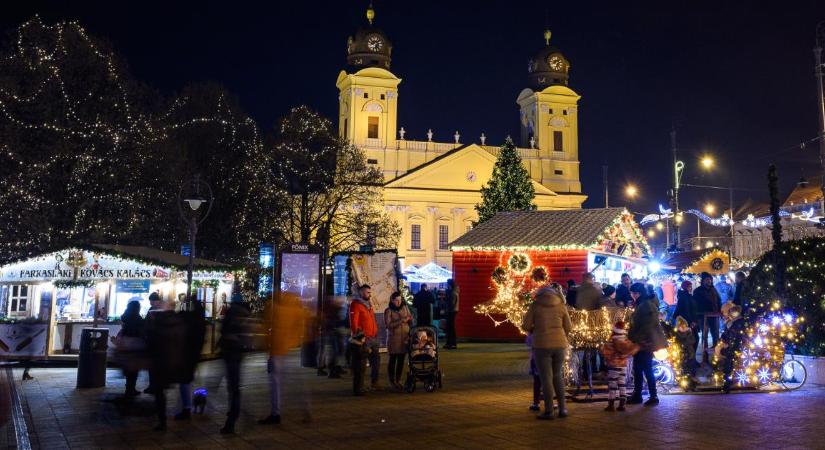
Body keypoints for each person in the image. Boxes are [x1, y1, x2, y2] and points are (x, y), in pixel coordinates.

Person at [521, 285, 571, 420]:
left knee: (546, 378)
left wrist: (535, 328)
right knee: (557, 376)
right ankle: (563, 409)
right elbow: (569, 327)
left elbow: (525, 325)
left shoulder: (535, 305)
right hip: (560, 344)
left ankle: (549, 410)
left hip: (542, 344)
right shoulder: (561, 304)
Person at [259, 292, 305, 425]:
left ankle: (276, 413)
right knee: (295, 383)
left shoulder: (275, 309)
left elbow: (267, 327)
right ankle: (305, 410)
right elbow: (299, 328)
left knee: (276, 383)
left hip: (277, 350)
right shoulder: (295, 310)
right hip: (289, 349)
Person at [145, 292, 183, 432]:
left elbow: (153, 339)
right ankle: (161, 418)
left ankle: (161, 420)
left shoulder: (159, 323)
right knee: (161, 391)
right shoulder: (174, 321)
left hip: (160, 361)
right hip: (169, 361)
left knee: (159, 392)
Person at [627, 282, 667, 406]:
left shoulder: (645, 305)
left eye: (633, 293)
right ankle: (638, 394)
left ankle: (653, 395)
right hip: (642, 341)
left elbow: (648, 325)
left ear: (637, 293)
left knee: (646, 368)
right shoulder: (642, 303)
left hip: (645, 342)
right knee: (638, 369)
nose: (632, 295)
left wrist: (638, 340)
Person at [218, 293, 250, 434]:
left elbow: (225, 331)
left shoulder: (232, 313)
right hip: (238, 352)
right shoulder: (245, 315)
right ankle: (233, 414)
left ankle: (232, 418)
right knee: (234, 386)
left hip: (230, 351)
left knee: (233, 387)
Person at [175, 298, 207, 421]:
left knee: (184, 380)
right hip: (194, 354)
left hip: (187, 353)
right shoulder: (201, 321)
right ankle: (191, 404)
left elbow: (181, 316)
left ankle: (186, 408)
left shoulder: (190, 319)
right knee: (188, 380)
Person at [600, 321, 638, 412]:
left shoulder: (612, 341)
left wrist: (602, 350)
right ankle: (622, 405)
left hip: (614, 365)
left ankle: (611, 404)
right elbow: (630, 350)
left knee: (612, 384)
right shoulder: (625, 341)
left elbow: (605, 351)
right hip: (623, 366)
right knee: (622, 384)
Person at [350, 284, 380, 395]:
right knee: (361, 365)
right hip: (364, 339)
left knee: (376, 361)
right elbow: (354, 322)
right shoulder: (356, 305)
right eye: (368, 292)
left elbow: (371, 319)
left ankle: (374, 383)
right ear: (361, 292)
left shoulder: (368, 304)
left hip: (373, 337)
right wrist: (360, 336)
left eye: (370, 292)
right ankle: (358, 388)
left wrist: (375, 331)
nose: (370, 295)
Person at [384, 291, 412, 391]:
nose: (398, 302)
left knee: (401, 360)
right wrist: (401, 321)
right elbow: (388, 325)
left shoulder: (405, 307)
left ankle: (398, 380)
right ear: (392, 300)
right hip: (394, 339)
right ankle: (392, 381)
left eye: (400, 300)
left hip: (404, 338)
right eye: (396, 300)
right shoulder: (388, 311)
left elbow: (410, 317)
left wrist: (409, 319)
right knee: (393, 360)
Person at [716, 304, 746, 393]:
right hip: (730, 346)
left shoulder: (738, 323)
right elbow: (726, 334)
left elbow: (736, 337)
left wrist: (728, 344)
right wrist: (723, 340)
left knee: (729, 362)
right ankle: (726, 380)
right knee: (726, 360)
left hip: (735, 347)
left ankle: (727, 383)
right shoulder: (731, 323)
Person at [118, 300, 145, 398]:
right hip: (135, 345)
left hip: (126, 343)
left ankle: (129, 388)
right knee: (134, 368)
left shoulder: (126, 316)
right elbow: (142, 329)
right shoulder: (138, 318)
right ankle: (131, 389)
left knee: (129, 367)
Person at [694, 272, 722, 351]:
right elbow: (696, 304)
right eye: (707, 279)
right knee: (705, 334)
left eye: (710, 279)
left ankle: (716, 350)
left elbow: (719, 300)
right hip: (703, 316)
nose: (709, 281)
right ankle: (704, 352)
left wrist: (719, 311)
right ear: (703, 281)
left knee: (715, 334)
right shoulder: (698, 291)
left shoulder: (713, 289)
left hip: (714, 315)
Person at [673, 280, 699, 354]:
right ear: (685, 287)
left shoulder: (687, 295)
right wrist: (691, 322)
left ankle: (691, 358)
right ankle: (691, 359)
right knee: (692, 340)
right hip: (688, 322)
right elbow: (686, 310)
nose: (691, 288)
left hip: (690, 321)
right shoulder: (684, 297)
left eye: (690, 286)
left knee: (693, 339)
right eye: (689, 286)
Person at [674, 316, 698, 390]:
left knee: (691, 369)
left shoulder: (689, 332)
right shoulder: (677, 333)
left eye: (684, 325)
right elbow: (678, 342)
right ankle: (685, 384)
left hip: (690, 353)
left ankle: (691, 384)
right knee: (684, 369)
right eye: (681, 326)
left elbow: (692, 341)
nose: (683, 327)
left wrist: (685, 341)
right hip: (682, 354)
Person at [526, 333, 542, 412]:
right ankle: (550, 402)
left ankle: (536, 403)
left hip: (536, 356)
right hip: (549, 352)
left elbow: (529, 345)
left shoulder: (532, 333)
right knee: (548, 379)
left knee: (537, 381)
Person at [444, 279, 459, 349]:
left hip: (451, 311)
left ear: (450, 285)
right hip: (453, 310)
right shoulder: (453, 291)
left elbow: (451, 303)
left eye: (447, 284)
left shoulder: (452, 293)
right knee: (449, 327)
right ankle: (450, 343)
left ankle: (452, 343)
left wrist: (446, 309)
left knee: (450, 327)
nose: (447, 285)